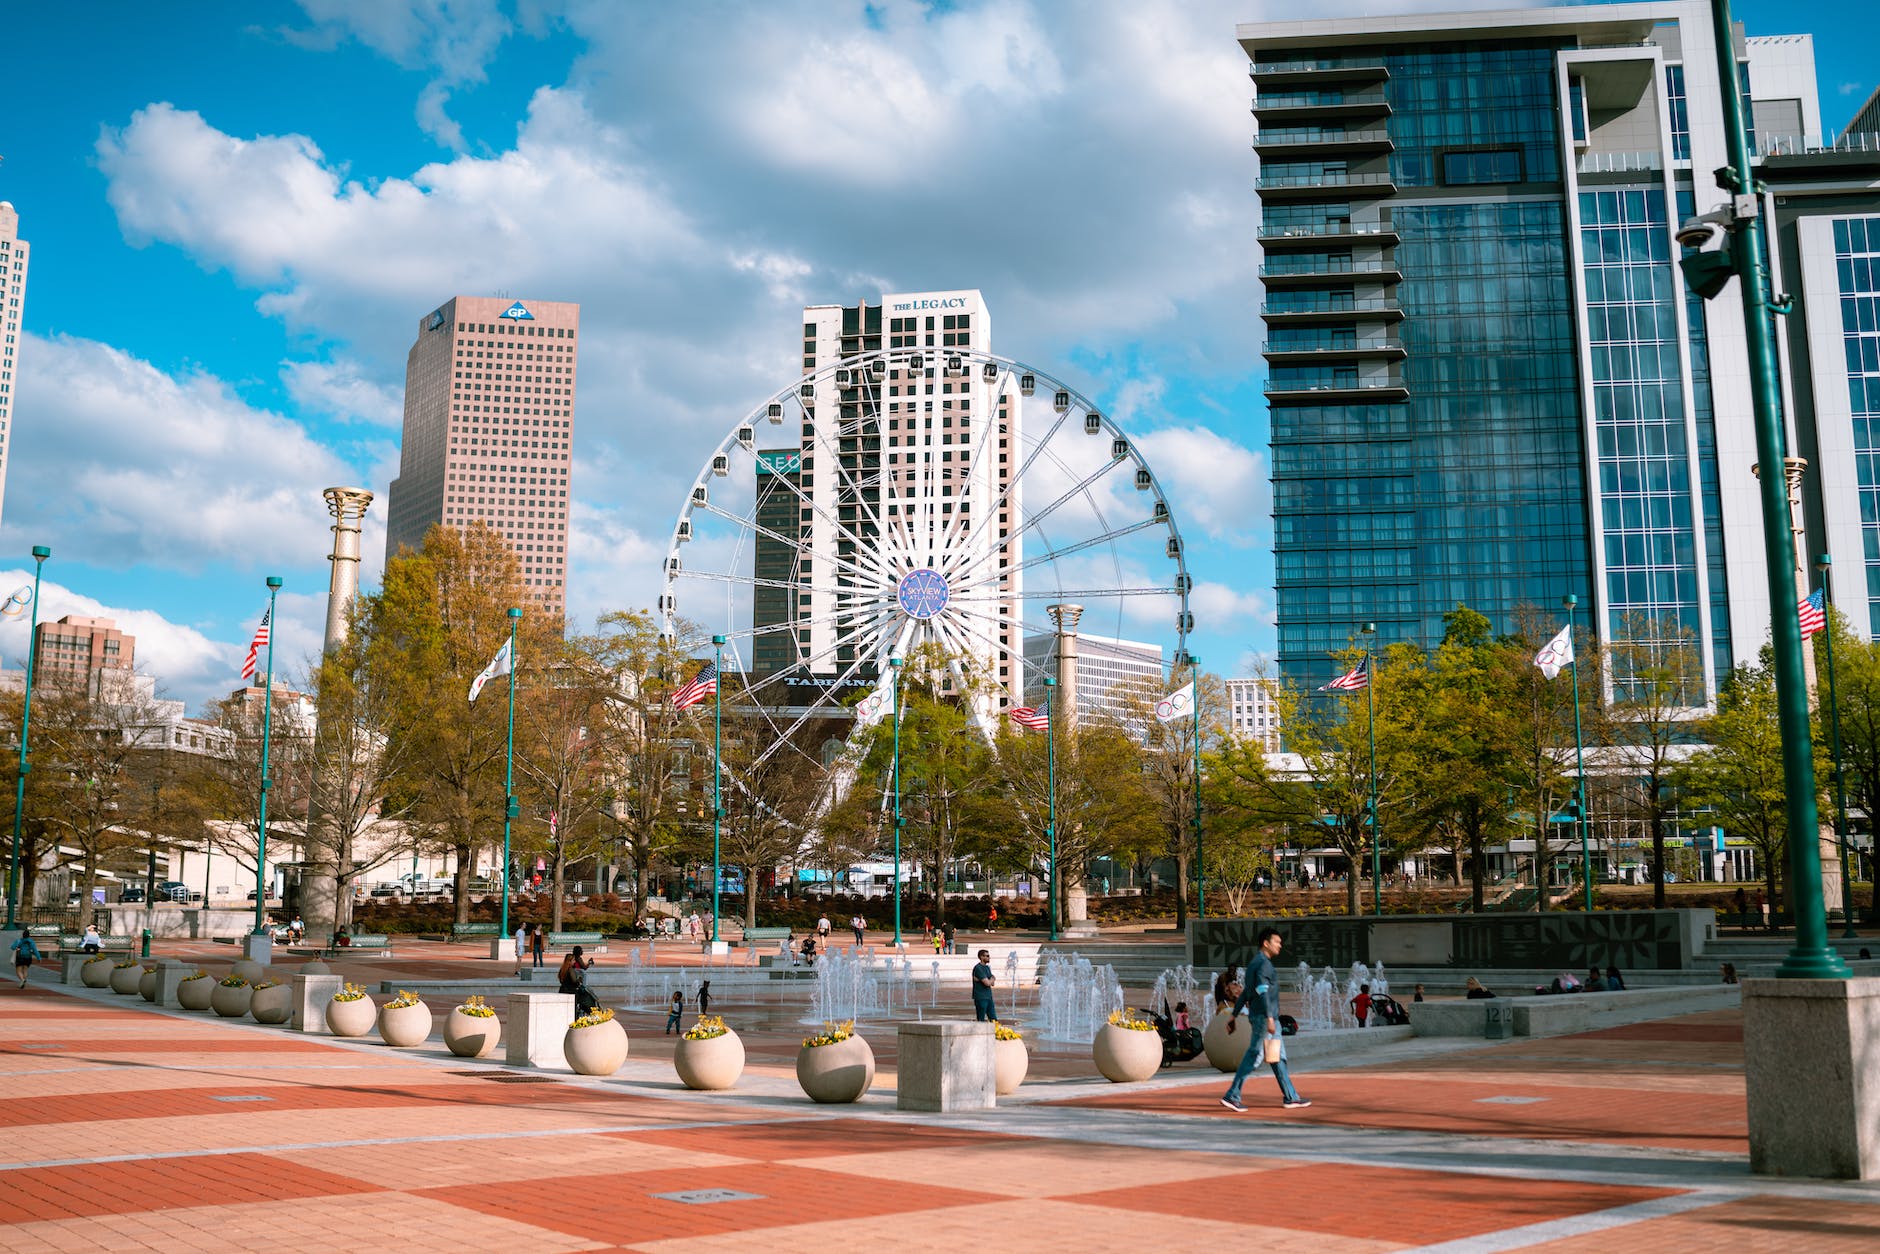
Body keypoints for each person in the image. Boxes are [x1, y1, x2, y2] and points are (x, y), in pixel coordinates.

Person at [1220, 928, 1309, 1111]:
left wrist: (1234, 1015)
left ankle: (1291, 1097)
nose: (1280, 945)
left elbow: (1246, 992)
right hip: (1265, 1017)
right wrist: (1269, 1017)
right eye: (1277, 942)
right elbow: (1262, 991)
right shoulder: (1263, 965)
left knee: (1277, 1057)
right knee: (1255, 1055)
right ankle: (1232, 1095)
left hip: (1264, 1016)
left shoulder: (1254, 964)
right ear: (1266, 943)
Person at [558, 945, 597, 1015]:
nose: (574, 961)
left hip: (562, 989)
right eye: (573, 960)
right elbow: (574, 981)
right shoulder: (570, 969)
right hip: (571, 991)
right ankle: (589, 1013)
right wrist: (579, 980)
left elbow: (561, 980)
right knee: (588, 998)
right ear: (569, 961)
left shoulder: (562, 969)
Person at [971, 948, 998, 1021]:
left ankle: (995, 1031)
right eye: (987, 956)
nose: (989, 957)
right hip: (981, 997)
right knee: (981, 1019)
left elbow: (992, 984)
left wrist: (991, 979)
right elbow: (987, 983)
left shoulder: (987, 967)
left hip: (988, 996)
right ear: (981, 957)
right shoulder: (978, 968)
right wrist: (992, 978)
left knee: (993, 1019)